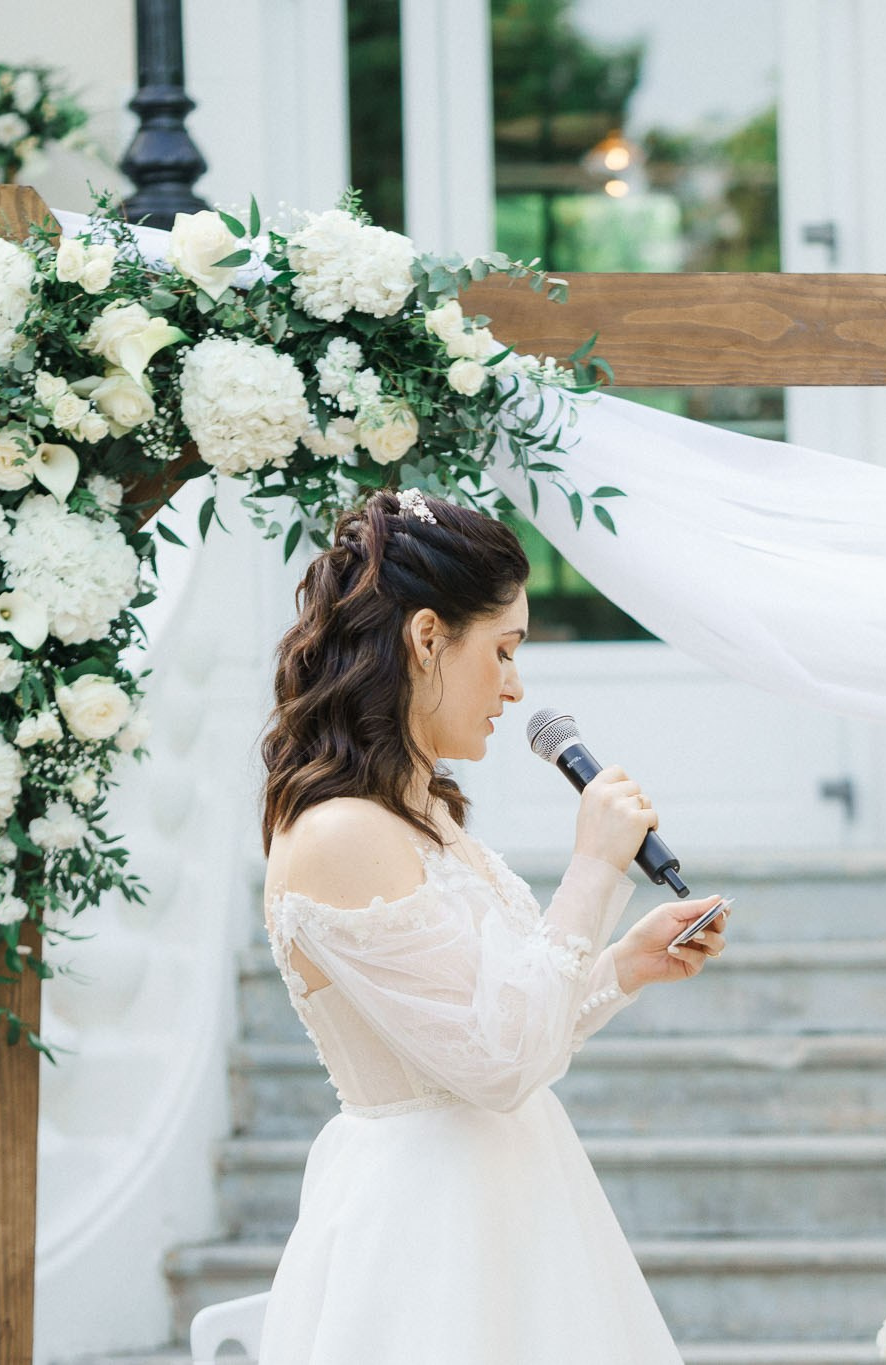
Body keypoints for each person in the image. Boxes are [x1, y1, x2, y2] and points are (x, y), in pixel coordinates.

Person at [253, 488, 727, 1363]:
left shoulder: (418, 813)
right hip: (428, 1231)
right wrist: (592, 868)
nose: (517, 686)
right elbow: (497, 1062)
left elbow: (489, 1026)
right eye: (504, 651)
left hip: (515, 1203)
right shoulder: (340, 833)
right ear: (427, 638)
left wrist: (622, 964)